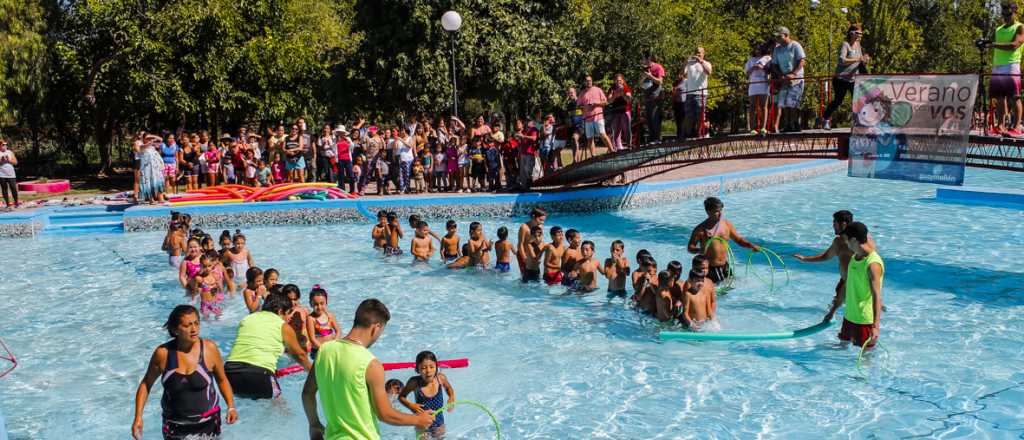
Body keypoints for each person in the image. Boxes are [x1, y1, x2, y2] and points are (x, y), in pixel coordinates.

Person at [302, 299, 434, 440]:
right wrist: (418, 419)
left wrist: (314, 424)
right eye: (381, 331)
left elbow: (307, 393)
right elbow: (385, 414)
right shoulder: (371, 364)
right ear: (376, 327)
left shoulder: (325, 350)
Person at [132, 305, 237, 440]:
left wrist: (231, 407)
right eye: (187, 325)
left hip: (208, 423)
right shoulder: (163, 354)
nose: (194, 329)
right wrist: (138, 417)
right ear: (175, 329)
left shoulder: (209, 349)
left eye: (196, 323)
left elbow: (222, 380)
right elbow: (146, 384)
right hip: (175, 426)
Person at [224, 291, 312, 399]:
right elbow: (300, 355)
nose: (289, 317)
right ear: (280, 311)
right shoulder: (282, 326)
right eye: (288, 313)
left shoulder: (247, 319)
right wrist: (314, 373)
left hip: (230, 373)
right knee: (281, 409)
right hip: (260, 374)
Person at [794, 210, 876, 321]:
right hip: (845, 282)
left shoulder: (860, 242)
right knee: (838, 301)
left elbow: (871, 262)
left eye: (835, 222)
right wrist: (805, 259)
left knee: (854, 308)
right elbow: (826, 256)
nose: (833, 225)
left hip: (857, 283)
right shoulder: (838, 242)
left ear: (843, 224)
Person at [830, 222, 884, 348]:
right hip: (849, 317)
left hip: (865, 321)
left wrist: (875, 326)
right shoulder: (855, 258)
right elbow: (847, 285)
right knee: (841, 349)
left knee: (865, 360)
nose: (846, 244)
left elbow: (877, 297)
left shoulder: (873, 264)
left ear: (854, 240)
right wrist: (833, 310)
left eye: (847, 241)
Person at [686, 197, 760, 284]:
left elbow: (739, 240)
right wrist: (699, 250)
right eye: (717, 211)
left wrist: (751, 245)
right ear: (708, 212)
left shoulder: (727, 225)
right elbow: (690, 247)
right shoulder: (701, 230)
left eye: (721, 210)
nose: (720, 213)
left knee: (733, 289)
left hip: (725, 266)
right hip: (710, 268)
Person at [822, 24, 871, 130]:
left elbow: (860, 60)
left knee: (859, 101)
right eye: (858, 33)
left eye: (861, 34)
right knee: (838, 101)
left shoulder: (858, 45)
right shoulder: (845, 45)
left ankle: (860, 122)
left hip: (853, 79)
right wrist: (858, 59)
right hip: (840, 79)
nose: (860, 36)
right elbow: (842, 60)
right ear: (851, 33)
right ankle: (825, 119)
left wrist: (864, 59)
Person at [398, 351, 456, 439]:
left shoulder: (441, 378)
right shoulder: (414, 382)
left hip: (439, 422)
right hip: (422, 423)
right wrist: (411, 406)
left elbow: (449, 388)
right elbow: (401, 397)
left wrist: (451, 397)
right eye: (423, 368)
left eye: (431, 367)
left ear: (436, 367)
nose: (428, 371)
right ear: (417, 369)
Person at [991, 3, 1024, 136]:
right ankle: (1001, 126)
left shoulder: (1020, 27)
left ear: (1015, 13)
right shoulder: (998, 29)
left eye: (1008, 14)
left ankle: (1017, 127)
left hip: (1011, 65)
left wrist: (992, 45)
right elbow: (994, 45)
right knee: (999, 97)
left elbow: (1014, 45)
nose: (1005, 16)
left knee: (1014, 97)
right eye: (1003, 14)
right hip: (997, 65)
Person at [769, 27, 807, 133]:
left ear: (786, 35)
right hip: (784, 79)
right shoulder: (777, 49)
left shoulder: (795, 45)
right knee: (785, 103)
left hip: (797, 78)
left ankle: (795, 123)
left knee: (793, 102)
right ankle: (788, 124)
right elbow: (774, 64)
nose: (777, 38)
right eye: (776, 36)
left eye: (779, 36)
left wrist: (793, 74)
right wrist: (780, 75)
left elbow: (802, 61)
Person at [577, 75, 614, 159]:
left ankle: (612, 151)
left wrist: (596, 104)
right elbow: (579, 106)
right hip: (587, 119)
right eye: (586, 81)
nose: (588, 82)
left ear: (592, 81)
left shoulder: (598, 90)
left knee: (602, 134)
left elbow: (605, 102)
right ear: (584, 82)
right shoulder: (582, 93)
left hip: (598, 117)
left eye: (589, 80)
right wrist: (584, 107)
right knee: (590, 138)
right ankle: (593, 156)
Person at [681, 47, 713, 139]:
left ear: (703, 53)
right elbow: (682, 73)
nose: (697, 54)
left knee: (700, 115)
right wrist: (685, 62)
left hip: (701, 93)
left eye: (699, 53)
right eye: (696, 52)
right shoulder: (689, 63)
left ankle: (700, 134)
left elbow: (709, 72)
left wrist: (701, 62)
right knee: (688, 116)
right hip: (690, 93)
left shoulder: (707, 63)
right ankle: (689, 135)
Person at [679, 255, 717, 329]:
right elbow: (686, 302)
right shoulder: (689, 284)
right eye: (702, 268)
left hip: (705, 319)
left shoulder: (710, 282)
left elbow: (713, 301)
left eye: (707, 268)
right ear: (694, 268)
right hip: (693, 319)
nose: (705, 270)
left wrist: (712, 317)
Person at [744, 42, 772, 135]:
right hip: (753, 84)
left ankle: (763, 128)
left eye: (759, 49)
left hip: (763, 83)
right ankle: (752, 128)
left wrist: (762, 67)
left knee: (763, 106)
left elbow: (771, 70)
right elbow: (747, 74)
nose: (757, 51)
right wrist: (753, 68)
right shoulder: (750, 60)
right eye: (756, 49)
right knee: (752, 107)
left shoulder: (767, 58)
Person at [306, 286, 341, 360]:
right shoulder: (311, 319)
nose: (319, 307)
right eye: (316, 304)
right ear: (310, 304)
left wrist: (335, 342)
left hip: (331, 348)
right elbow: (312, 338)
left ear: (326, 302)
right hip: (318, 351)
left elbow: (338, 330)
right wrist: (324, 349)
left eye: (322, 303)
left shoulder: (330, 316)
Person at [639, 53, 666, 142]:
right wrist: (643, 77)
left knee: (655, 119)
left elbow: (660, 82)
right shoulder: (644, 70)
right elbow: (640, 84)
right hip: (647, 98)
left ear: (649, 59)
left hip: (656, 98)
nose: (642, 61)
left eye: (643, 59)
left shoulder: (658, 67)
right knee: (649, 119)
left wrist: (650, 76)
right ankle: (652, 140)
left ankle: (657, 139)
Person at [516, 207, 547, 275]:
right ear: (533, 216)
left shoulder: (540, 226)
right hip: (523, 254)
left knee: (535, 274)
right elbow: (520, 244)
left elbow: (541, 241)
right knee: (525, 275)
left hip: (533, 254)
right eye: (540, 220)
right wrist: (524, 258)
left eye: (543, 220)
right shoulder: (524, 227)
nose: (542, 222)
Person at [607, 74, 633, 151]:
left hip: (625, 111)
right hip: (615, 112)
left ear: (623, 81)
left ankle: (629, 146)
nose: (618, 82)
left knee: (626, 129)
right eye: (617, 80)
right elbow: (608, 101)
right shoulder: (612, 89)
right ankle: (617, 147)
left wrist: (623, 94)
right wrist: (614, 96)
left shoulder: (626, 88)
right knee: (615, 130)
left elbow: (629, 99)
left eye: (620, 80)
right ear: (615, 81)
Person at [283, 284, 311, 353]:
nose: (292, 302)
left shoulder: (304, 311)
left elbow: (310, 328)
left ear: (299, 298)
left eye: (295, 299)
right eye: (289, 299)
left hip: (304, 346)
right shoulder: (282, 314)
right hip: (289, 348)